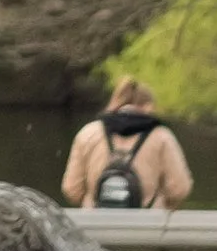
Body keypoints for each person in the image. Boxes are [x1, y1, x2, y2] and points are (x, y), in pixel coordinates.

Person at [61, 77, 193, 212]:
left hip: (96, 223)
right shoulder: (162, 136)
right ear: (148, 105)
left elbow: (71, 189)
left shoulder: (88, 133)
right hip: (147, 224)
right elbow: (179, 189)